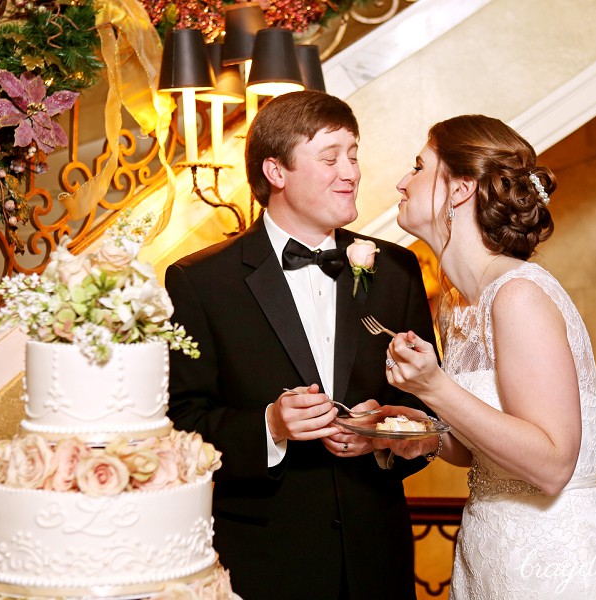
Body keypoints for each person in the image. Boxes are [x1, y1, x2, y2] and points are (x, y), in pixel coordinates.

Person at [164, 90, 436, 600]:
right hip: (262, 564)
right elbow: (180, 425)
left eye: (353, 154)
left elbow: (430, 412)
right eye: (330, 157)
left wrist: (384, 440)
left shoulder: (396, 270)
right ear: (276, 172)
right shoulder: (200, 281)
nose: (351, 172)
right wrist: (269, 426)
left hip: (377, 560)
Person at [378, 115, 596, 599]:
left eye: (418, 167)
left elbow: (550, 466)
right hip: (489, 552)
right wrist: (426, 436)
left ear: (460, 190)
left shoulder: (518, 295)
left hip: (553, 562)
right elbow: (484, 452)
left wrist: (434, 387)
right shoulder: (458, 304)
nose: (402, 181)